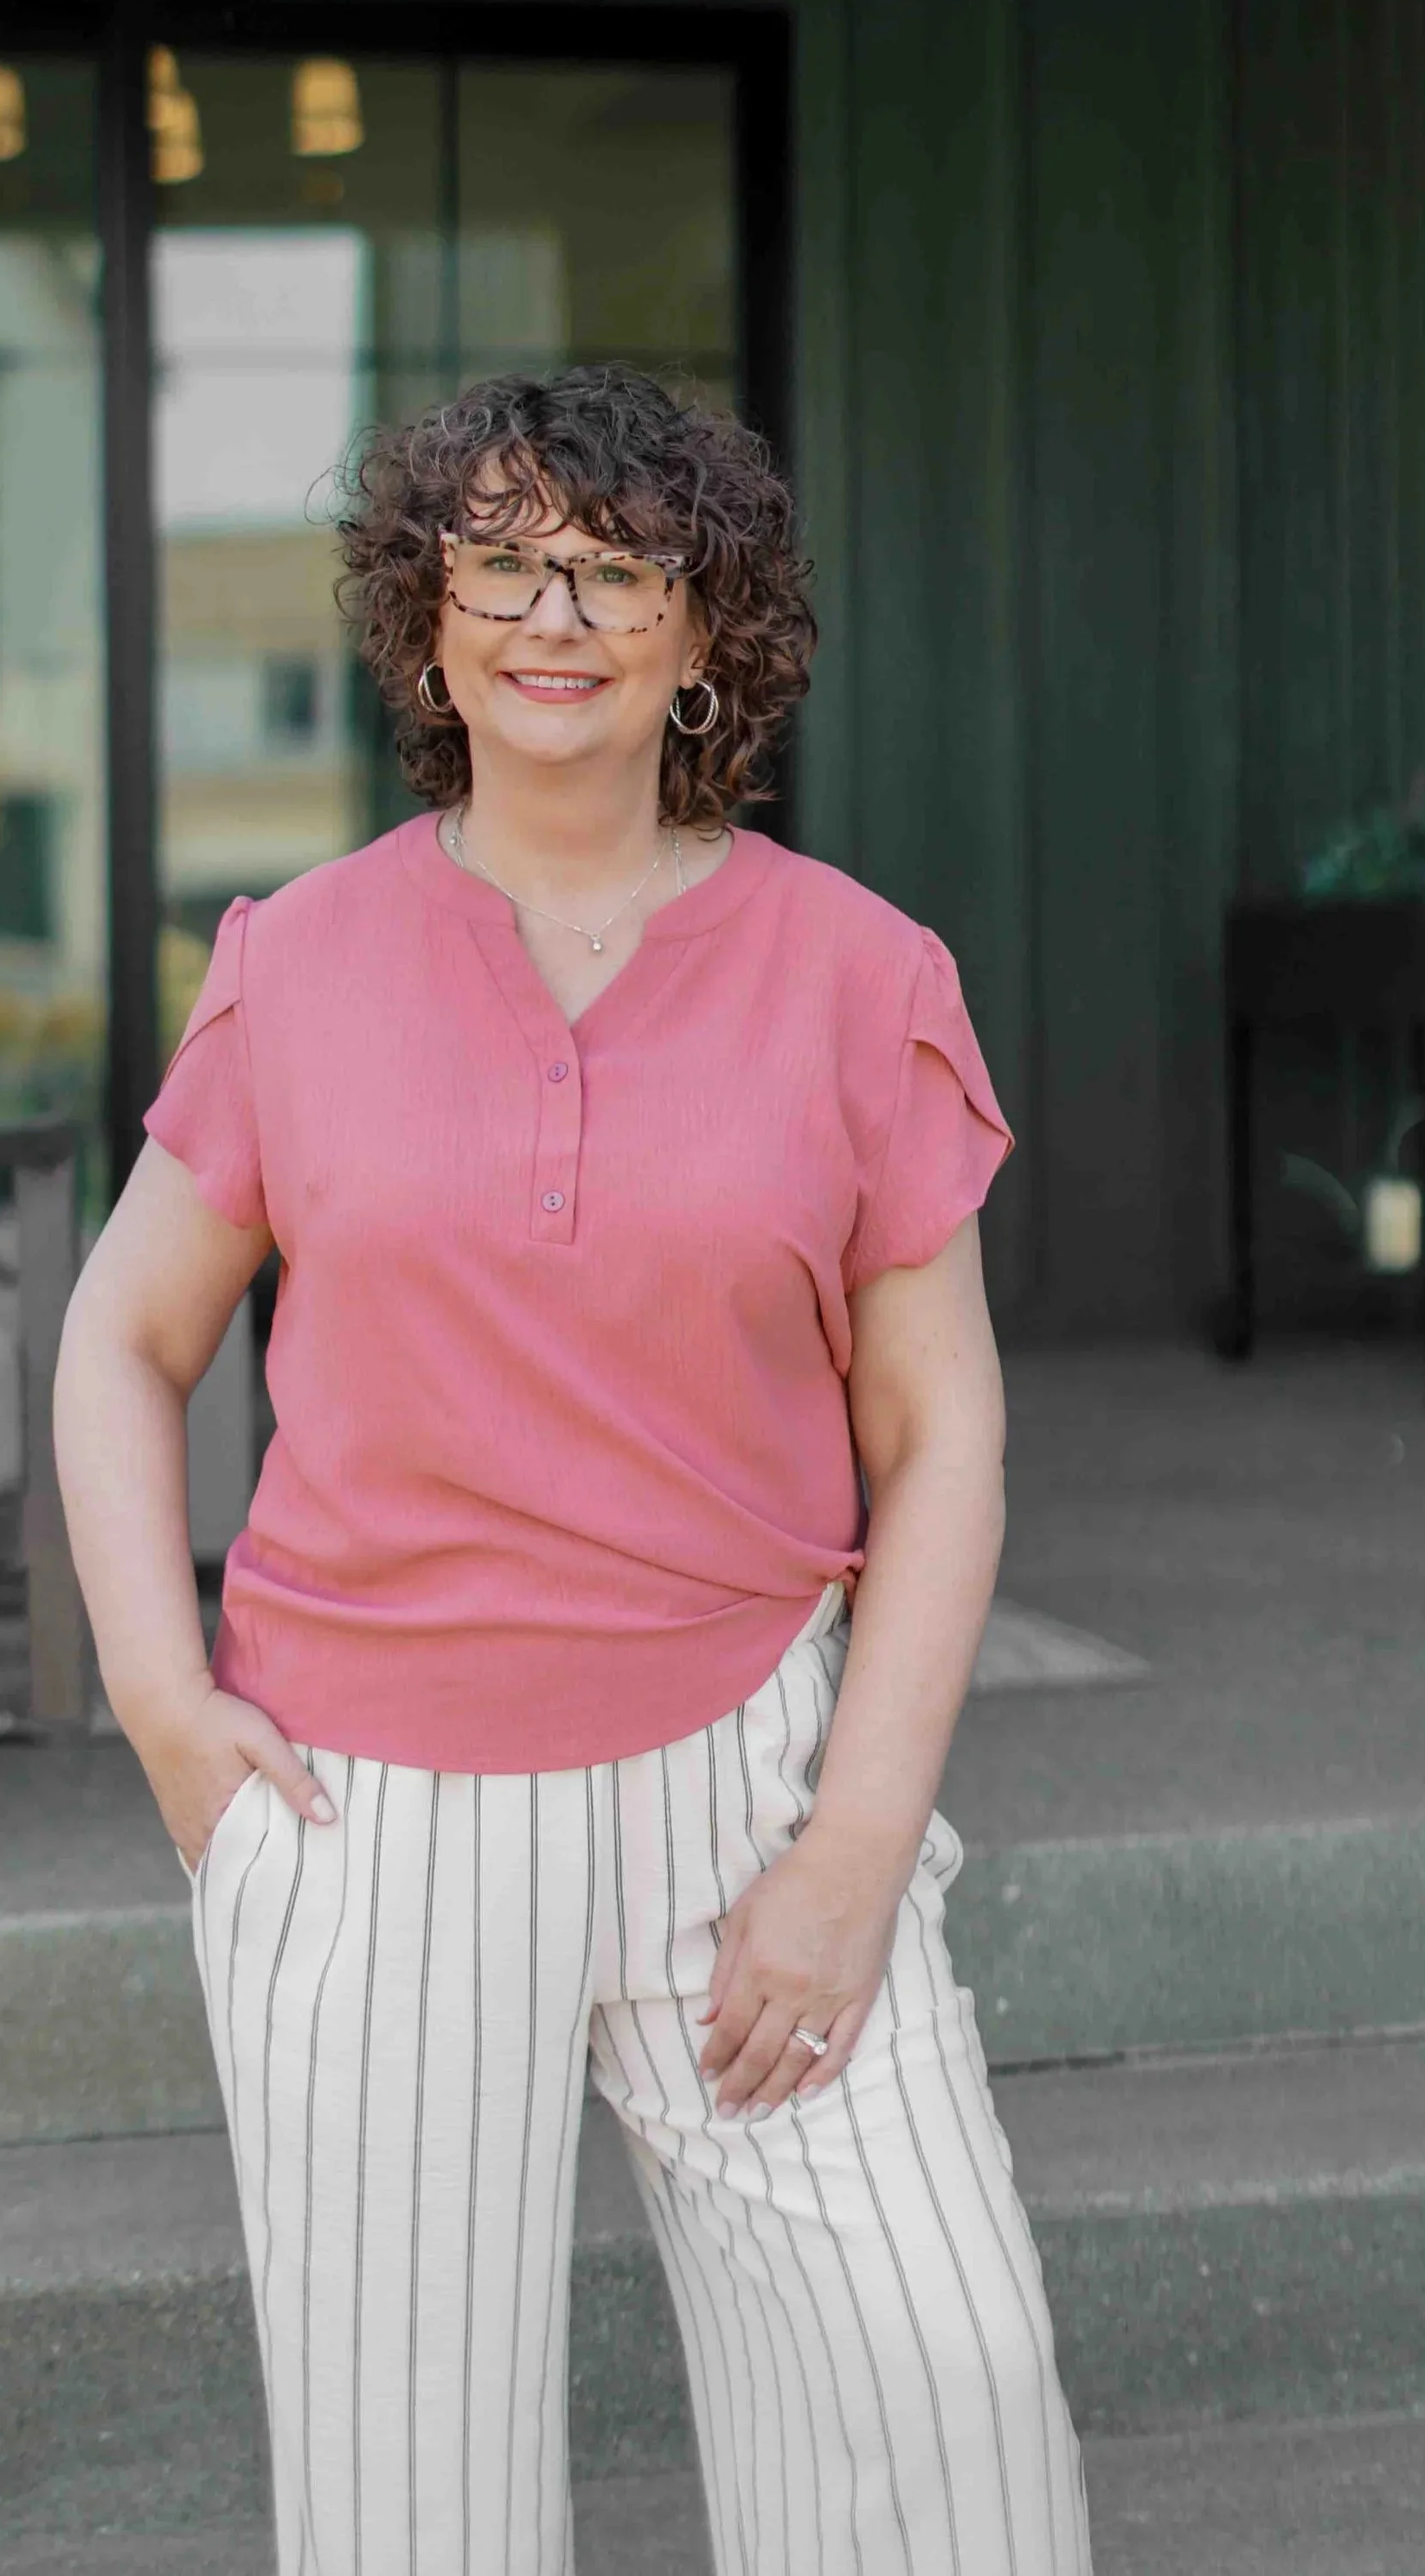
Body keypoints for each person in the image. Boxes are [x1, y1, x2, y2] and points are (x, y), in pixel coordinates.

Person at [55, 363, 1090, 2576]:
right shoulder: (294, 964)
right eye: (500, 561)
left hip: (754, 1791)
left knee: (943, 2386)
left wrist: (854, 1844)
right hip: (372, 1813)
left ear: (708, 639)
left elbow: (942, 1436)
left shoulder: (855, 970)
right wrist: (166, 1704)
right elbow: (122, 1341)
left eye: (620, 570)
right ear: (423, 625)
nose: (557, 612)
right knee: (406, 2499)